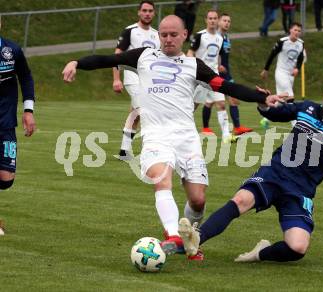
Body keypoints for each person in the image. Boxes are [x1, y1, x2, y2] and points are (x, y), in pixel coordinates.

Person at [62, 15, 283, 260]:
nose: (168, 39)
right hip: (156, 135)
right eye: (164, 34)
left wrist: (259, 97)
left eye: (173, 34)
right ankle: (173, 237)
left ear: (184, 35)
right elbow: (107, 59)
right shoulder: (143, 56)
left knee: (198, 201)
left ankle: (190, 237)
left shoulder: (194, 65)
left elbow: (226, 86)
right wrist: (76, 62)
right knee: (161, 180)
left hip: (187, 138)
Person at [178, 79, 323, 263]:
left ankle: (260, 253)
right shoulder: (307, 108)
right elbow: (276, 113)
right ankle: (195, 239)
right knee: (240, 200)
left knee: (297, 248)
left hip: (300, 191)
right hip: (275, 173)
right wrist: (263, 102)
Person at [0, 18, 37, 236]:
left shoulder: (11, 50)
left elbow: (25, 77)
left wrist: (28, 110)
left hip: (6, 124)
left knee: (6, 179)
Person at [113, 1, 160, 161]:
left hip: (149, 80)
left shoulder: (156, 34)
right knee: (143, 111)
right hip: (132, 78)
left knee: (136, 114)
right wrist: (116, 79)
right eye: (144, 10)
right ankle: (151, 151)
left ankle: (124, 151)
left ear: (154, 13)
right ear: (139, 12)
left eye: (150, 11)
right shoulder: (130, 31)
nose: (147, 13)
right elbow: (117, 55)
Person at [187, 10, 232, 142]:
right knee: (193, 107)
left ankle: (226, 135)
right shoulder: (200, 36)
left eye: (215, 18)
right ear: (206, 20)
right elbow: (190, 53)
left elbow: (217, 55)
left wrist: (219, 66)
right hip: (200, 77)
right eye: (210, 18)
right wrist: (194, 66)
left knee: (221, 104)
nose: (212, 21)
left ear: (217, 21)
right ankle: (182, 129)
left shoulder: (220, 38)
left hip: (214, 77)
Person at [217, 13, 253, 136]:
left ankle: (237, 127)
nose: (227, 23)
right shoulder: (216, 36)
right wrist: (218, 65)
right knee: (210, 102)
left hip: (227, 74)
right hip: (217, 73)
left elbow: (224, 55)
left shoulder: (226, 37)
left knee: (233, 100)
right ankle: (206, 128)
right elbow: (215, 53)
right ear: (219, 22)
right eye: (224, 20)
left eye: (229, 21)